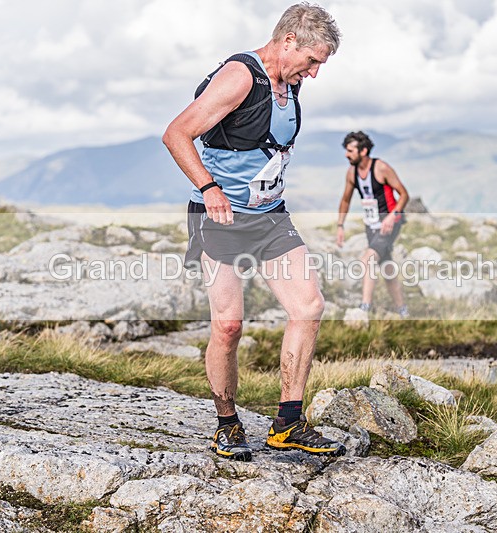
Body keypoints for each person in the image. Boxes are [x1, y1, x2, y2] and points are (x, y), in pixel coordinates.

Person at [162, 3, 345, 462]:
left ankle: (287, 423)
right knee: (228, 325)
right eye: (312, 61)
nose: (315, 73)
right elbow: (176, 133)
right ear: (288, 42)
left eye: (321, 64)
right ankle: (227, 424)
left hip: (270, 218)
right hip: (221, 218)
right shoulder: (241, 76)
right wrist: (208, 188)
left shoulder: (288, 82)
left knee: (308, 307)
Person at [336, 131, 410, 316]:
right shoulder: (352, 173)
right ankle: (402, 310)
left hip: (389, 224)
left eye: (350, 150)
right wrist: (340, 226)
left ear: (363, 151)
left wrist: (392, 216)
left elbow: (404, 194)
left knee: (367, 259)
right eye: (346, 150)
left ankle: (364, 308)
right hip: (371, 225)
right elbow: (345, 200)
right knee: (386, 267)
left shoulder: (381, 168)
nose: (346, 154)